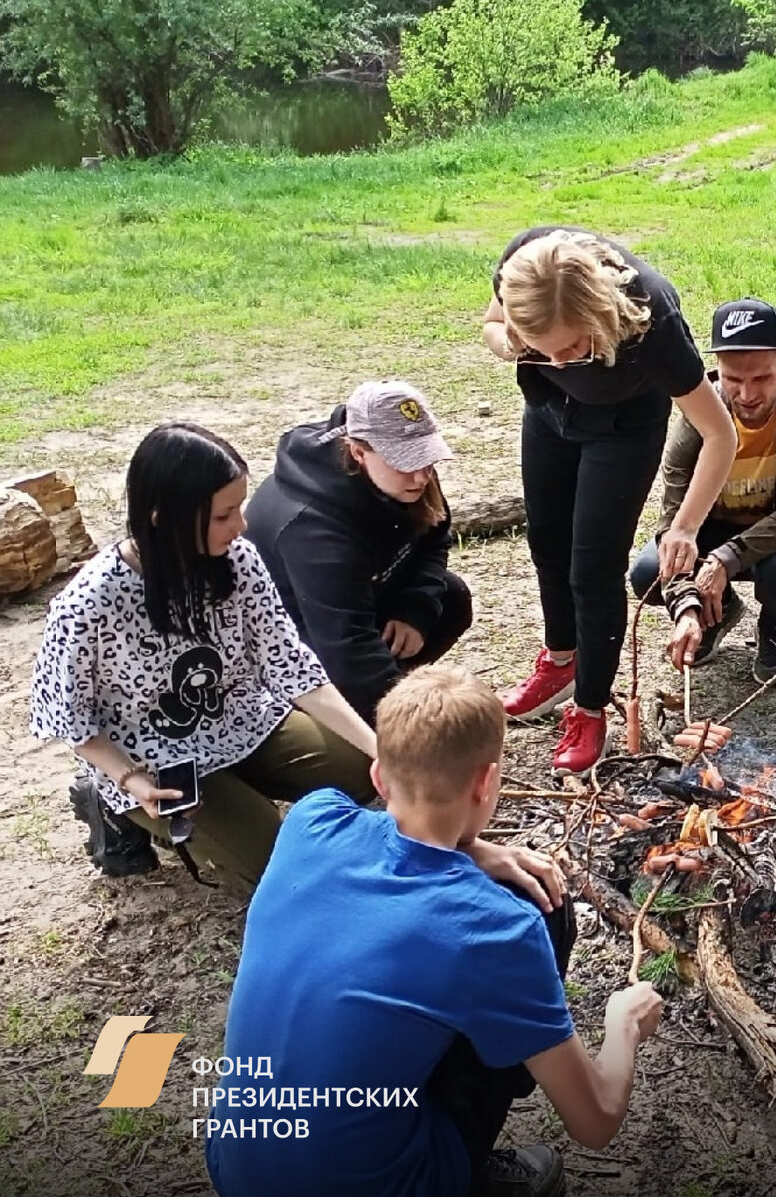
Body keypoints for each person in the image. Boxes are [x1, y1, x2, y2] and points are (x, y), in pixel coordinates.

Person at [207, 666, 663, 1197]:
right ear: (488, 782)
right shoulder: (496, 930)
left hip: (239, 1167)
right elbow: (598, 1121)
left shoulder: (311, 821)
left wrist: (474, 849)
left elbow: (384, 831)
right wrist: (623, 1022)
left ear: (379, 775)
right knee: (539, 906)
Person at [29, 423, 376, 892]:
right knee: (280, 872)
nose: (242, 527)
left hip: (242, 721)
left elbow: (293, 668)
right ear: (161, 517)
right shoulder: (90, 603)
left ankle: (237, 799)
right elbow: (69, 719)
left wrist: (382, 752)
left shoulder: (239, 561)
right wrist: (130, 780)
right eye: (223, 516)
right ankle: (112, 809)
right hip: (155, 758)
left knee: (362, 770)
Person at [484, 226, 736, 772]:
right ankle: (559, 662)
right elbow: (491, 322)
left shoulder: (651, 319)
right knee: (546, 545)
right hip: (549, 415)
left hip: (623, 426)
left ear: (598, 311)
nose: (560, 358)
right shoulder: (523, 270)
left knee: (593, 568)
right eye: (544, 348)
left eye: (573, 345)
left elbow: (721, 434)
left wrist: (686, 527)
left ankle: (591, 706)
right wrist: (512, 345)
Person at [635, 298, 776, 684]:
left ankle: (775, 626)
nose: (746, 394)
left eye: (761, 378)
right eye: (733, 379)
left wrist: (726, 560)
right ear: (717, 371)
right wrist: (684, 602)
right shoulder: (700, 408)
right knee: (648, 571)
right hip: (713, 528)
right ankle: (718, 611)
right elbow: (674, 513)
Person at [245, 380, 472, 725]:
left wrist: (415, 606)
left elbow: (434, 537)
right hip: (293, 643)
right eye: (405, 462)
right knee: (366, 691)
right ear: (358, 452)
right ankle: (357, 719)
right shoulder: (313, 529)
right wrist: (417, 728)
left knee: (449, 598)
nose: (421, 476)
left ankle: (384, 700)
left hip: (360, 597)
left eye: (426, 459)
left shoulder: (406, 476)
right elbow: (347, 648)